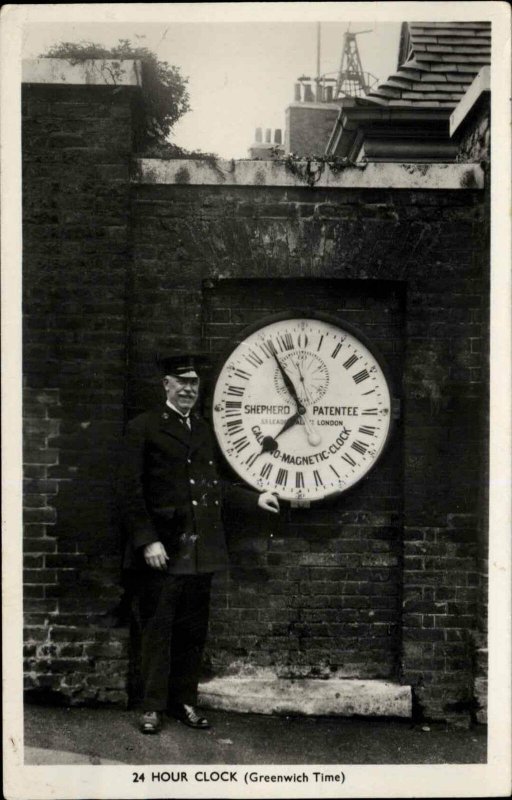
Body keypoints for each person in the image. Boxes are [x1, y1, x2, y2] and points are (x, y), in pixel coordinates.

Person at [119, 350, 279, 734]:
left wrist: (253, 498)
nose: (189, 389)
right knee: (158, 628)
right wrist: (148, 541)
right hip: (165, 547)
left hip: (200, 547)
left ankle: (184, 701)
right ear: (166, 385)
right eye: (182, 382)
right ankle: (152, 706)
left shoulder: (204, 430)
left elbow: (213, 486)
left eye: (194, 383)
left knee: (193, 629)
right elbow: (129, 490)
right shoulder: (143, 427)